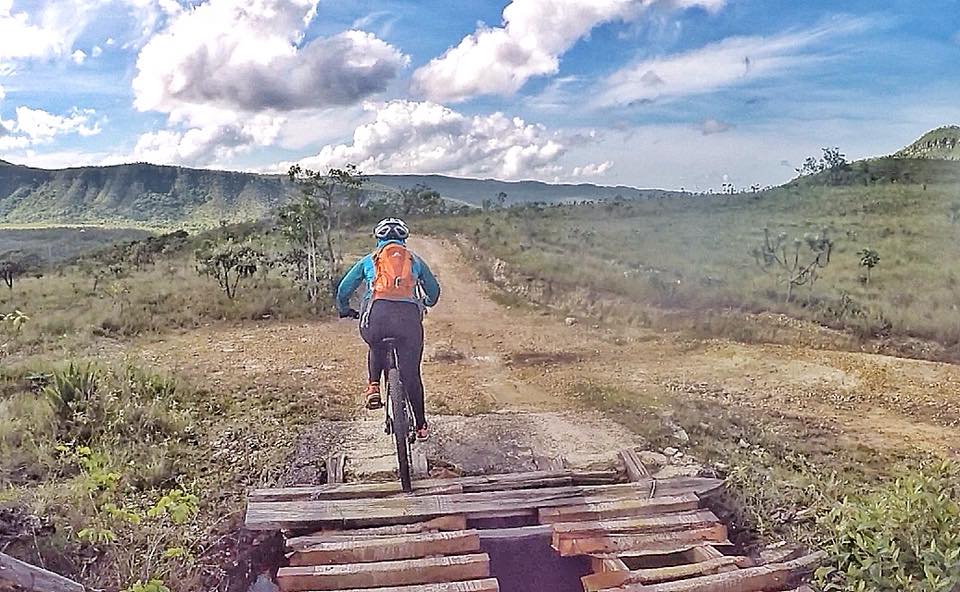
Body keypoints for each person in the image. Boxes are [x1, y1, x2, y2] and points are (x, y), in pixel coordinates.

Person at [336, 218, 440, 440]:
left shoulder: (370, 260)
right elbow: (434, 291)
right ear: (404, 239)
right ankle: (421, 425)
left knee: (375, 344)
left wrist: (344, 309)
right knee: (412, 374)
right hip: (408, 320)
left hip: (377, 316)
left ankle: (373, 386)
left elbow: (344, 289)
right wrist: (427, 302)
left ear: (378, 239)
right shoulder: (414, 260)